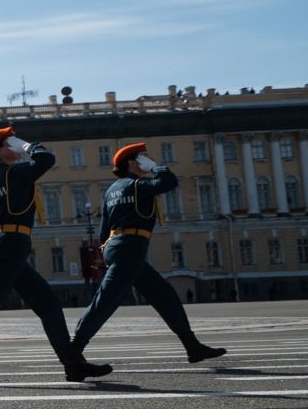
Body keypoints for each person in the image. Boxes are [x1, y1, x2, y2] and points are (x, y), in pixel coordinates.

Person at [0, 127, 113, 386]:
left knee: (47, 304)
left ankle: (72, 365)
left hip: (2, 245)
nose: (15, 146)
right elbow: (46, 160)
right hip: (11, 245)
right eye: (9, 142)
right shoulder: (14, 173)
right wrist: (27, 145)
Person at [70, 143, 226, 364]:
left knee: (165, 296)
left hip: (118, 247)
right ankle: (74, 350)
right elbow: (170, 182)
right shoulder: (138, 185)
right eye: (144, 157)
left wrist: (106, 254)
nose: (149, 158)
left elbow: (104, 228)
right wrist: (155, 167)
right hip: (130, 247)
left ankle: (193, 347)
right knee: (106, 301)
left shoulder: (112, 190)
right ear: (133, 163)